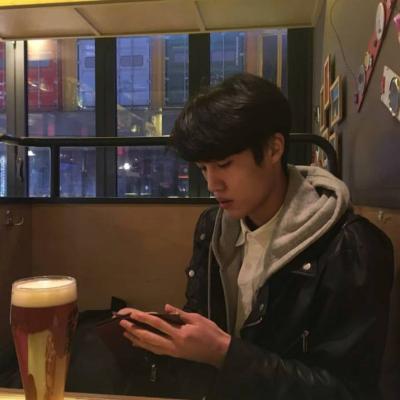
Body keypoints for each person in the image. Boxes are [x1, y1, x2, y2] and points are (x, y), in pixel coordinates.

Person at [118, 73, 394, 399]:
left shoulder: (350, 247)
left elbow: (348, 391)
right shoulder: (213, 227)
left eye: (224, 164)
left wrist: (225, 353)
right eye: (203, 168)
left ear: (274, 148)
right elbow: (204, 321)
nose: (212, 184)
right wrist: (168, 340)